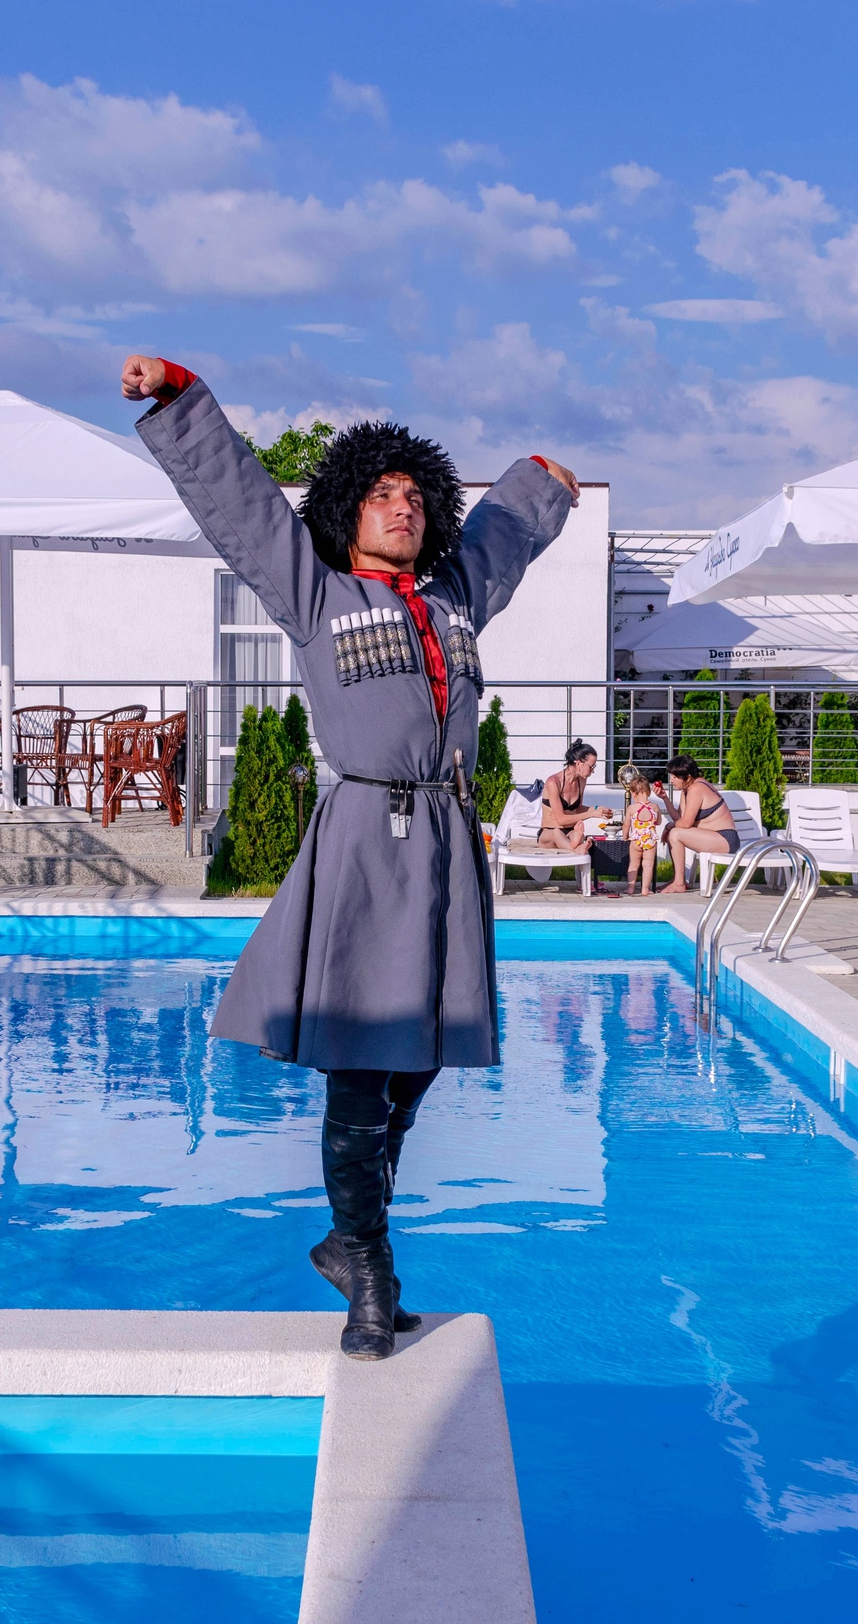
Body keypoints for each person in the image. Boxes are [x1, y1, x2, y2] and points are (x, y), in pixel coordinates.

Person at [121, 352, 580, 1361]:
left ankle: (349, 1235)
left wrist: (540, 485)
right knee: (366, 1068)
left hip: (447, 852)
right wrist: (181, 397)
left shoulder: (452, 600)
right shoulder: (316, 592)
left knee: (424, 1057)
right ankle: (368, 1269)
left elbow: (500, 539)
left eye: (415, 496)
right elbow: (240, 504)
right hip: (370, 845)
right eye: (381, 495)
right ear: (346, 511)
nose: (402, 507)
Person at [660, 753, 737, 893]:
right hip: (713, 836)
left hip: (725, 839)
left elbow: (685, 824)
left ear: (688, 777)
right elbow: (680, 819)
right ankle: (677, 880)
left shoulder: (697, 788)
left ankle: (679, 883)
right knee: (675, 832)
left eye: (675, 777)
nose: (671, 780)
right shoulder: (687, 790)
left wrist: (668, 826)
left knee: (675, 833)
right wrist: (665, 798)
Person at [531, 740, 614, 856]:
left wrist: (597, 809)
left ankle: (577, 841)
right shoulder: (554, 782)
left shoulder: (581, 781)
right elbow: (561, 819)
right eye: (591, 767)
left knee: (576, 834)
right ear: (579, 763)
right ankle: (575, 849)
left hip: (568, 831)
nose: (593, 771)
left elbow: (577, 809)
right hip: (549, 833)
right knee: (556, 833)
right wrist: (592, 814)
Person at [621, 767, 666, 896]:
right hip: (650, 840)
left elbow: (626, 825)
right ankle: (645, 889)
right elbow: (658, 822)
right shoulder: (655, 807)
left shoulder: (632, 808)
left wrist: (625, 836)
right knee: (648, 865)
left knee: (633, 864)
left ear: (633, 793)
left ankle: (630, 888)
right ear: (648, 792)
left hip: (636, 839)